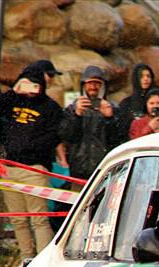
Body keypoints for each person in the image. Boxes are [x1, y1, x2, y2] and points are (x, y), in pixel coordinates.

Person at [0, 67, 65, 260]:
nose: (33, 89)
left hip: (34, 168)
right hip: (9, 168)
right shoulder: (13, 101)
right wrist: (14, 90)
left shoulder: (50, 107)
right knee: (18, 220)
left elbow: (55, 135)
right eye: (28, 83)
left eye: (36, 84)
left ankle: (43, 260)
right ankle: (26, 258)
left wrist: (31, 148)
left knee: (39, 218)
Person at [59, 66, 122, 230]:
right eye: (90, 83)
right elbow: (66, 135)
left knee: (103, 213)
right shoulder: (72, 109)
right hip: (79, 171)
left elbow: (118, 139)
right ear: (83, 85)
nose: (93, 87)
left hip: (105, 171)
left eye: (97, 83)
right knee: (78, 215)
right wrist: (77, 115)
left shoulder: (113, 109)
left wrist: (109, 118)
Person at [116, 63, 154, 142]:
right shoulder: (126, 103)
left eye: (148, 76)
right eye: (141, 76)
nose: (146, 79)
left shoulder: (157, 101)